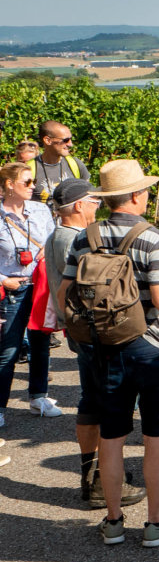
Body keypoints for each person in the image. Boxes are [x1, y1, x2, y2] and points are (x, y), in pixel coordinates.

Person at [57, 159, 159, 547]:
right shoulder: (153, 238)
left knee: (112, 435)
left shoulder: (84, 237)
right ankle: (156, 523)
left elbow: (62, 295)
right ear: (135, 195)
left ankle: (114, 521)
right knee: (155, 437)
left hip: (104, 349)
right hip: (154, 349)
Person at [45, 178, 147, 507]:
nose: (97, 207)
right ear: (78, 205)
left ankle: (90, 478)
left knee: (90, 402)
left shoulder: (55, 237)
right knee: (110, 404)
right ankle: (104, 479)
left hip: (78, 330)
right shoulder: (75, 239)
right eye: (93, 201)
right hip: (95, 330)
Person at [0, 161, 58, 426]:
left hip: (40, 286)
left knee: (40, 343)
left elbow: (52, 238)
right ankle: (0, 407)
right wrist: (3, 280)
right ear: (9, 185)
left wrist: (48, 251)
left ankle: (38, 397)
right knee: (8, 349)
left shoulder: (40, 210)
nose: (33, 187)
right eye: (27, 182)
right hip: (13, 288)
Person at [29, 120, 90, 212]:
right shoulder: (29, 169)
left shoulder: (76, 164)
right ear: (48, 140)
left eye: (70, 139)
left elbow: (88, 198)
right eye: (65, 140)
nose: (70, 144)